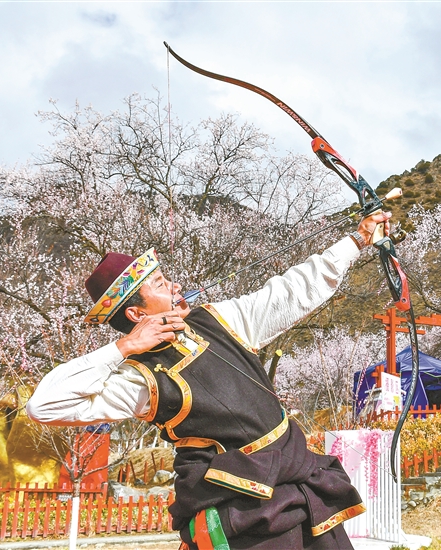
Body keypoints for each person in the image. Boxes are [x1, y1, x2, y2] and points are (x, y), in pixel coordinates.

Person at [27, 212, 392, 549]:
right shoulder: (139, 378)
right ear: (137, 313)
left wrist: (357, 240)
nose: (174, 286)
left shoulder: (217, 319)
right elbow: (43, 406)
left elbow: (291, 291)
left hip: (302, 482)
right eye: (160, 284)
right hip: (244, 510)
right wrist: (123, 348)